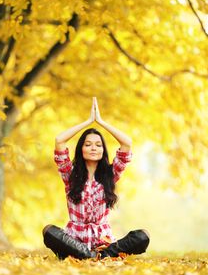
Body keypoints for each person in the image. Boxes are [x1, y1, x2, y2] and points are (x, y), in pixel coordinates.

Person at [42, 97, 150, 260]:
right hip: (74, 244)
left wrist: (101, 122)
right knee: (48, 231)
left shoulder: (110, 174)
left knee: (143, 236)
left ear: (103, 150)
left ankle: (99, 255)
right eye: (88, 144)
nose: (93, 148)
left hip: (104, 244)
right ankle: (91, 256)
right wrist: (87, 122)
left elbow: (127, 143)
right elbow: (59, 140)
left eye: (98, 145)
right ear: (81, 149)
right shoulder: (70, 174)